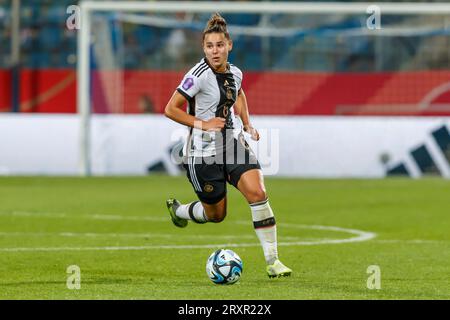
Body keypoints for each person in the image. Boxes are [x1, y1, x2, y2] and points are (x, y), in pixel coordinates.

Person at [164, 13, 292, 278]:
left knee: (257, 192)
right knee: (216, 214)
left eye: (219, 45)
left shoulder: (236, 73)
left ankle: (273, 262)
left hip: (231, 144)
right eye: (210, 46)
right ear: (204, 48)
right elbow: (170, 109)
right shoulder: (196, 75)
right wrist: (204, 123)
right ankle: (179, 210)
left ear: (229, 45)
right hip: (202, 155)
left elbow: (239, 93)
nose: (215, 51)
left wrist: (247, 124)